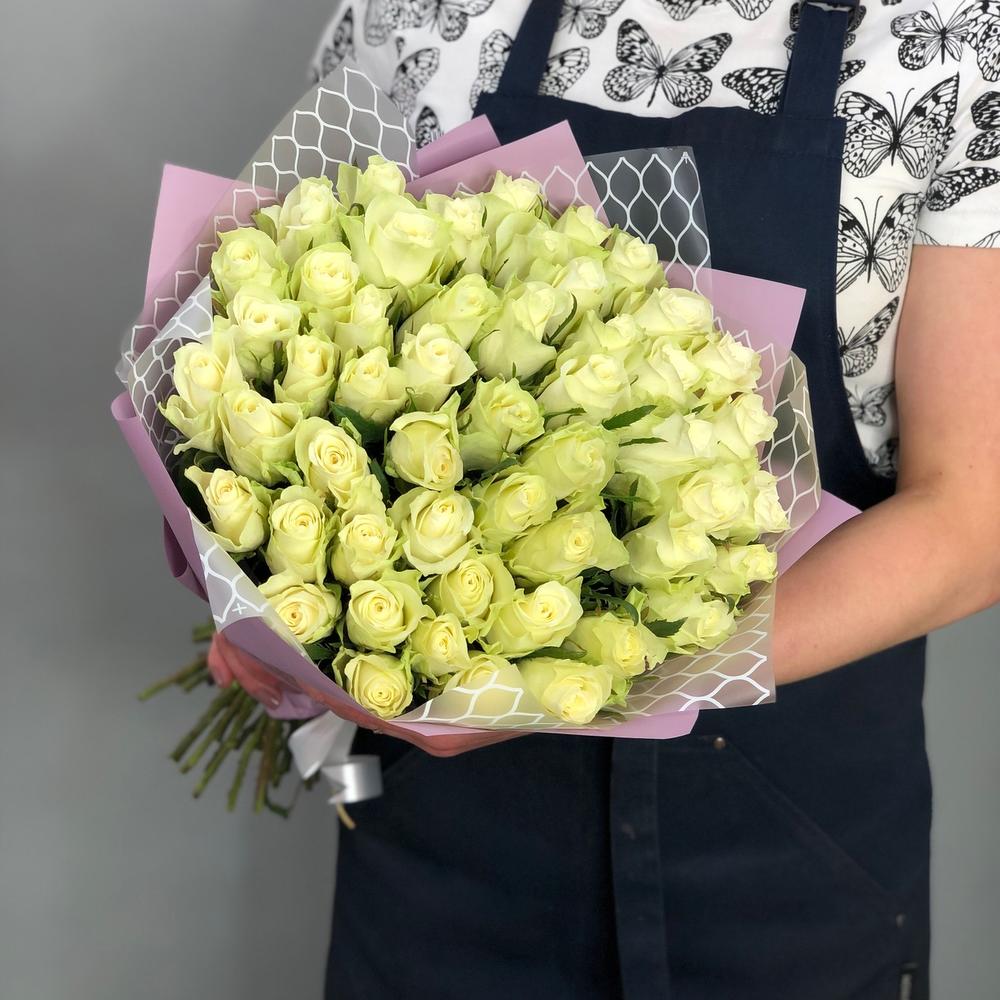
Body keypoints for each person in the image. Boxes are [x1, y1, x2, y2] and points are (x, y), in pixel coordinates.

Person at [220, 1, 1000, 996]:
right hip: (446, 842)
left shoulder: (950, 42)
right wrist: (273, 580)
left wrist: (601, 675)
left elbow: (972, 516)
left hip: (786, 844)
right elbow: (297, 330)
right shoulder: (422, 13)